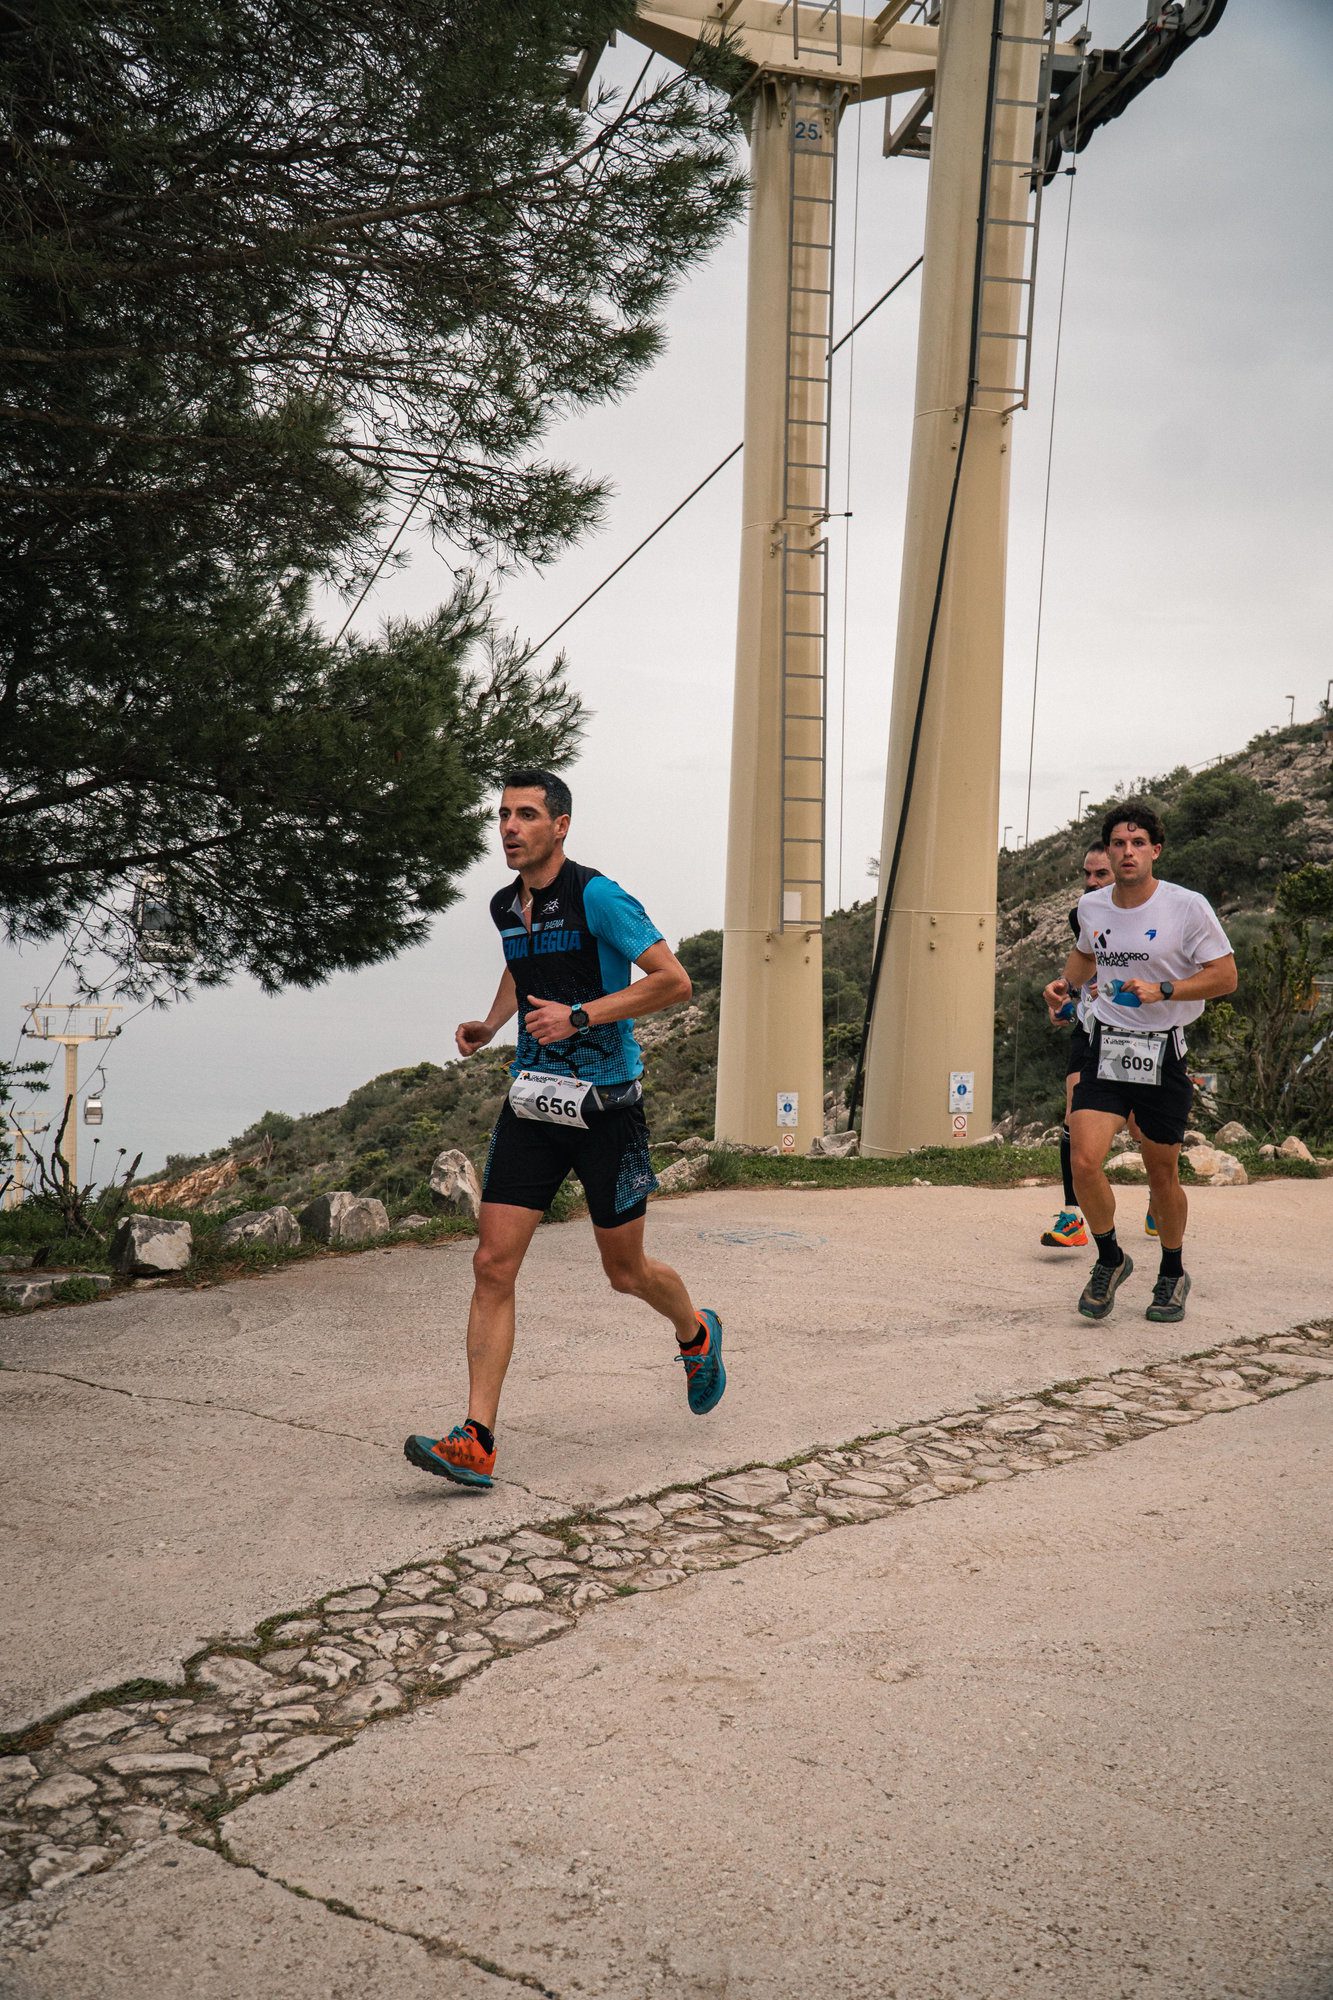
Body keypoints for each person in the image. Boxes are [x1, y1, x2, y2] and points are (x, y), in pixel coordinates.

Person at [406, 769, 726, 1490]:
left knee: (625, 1272)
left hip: (607, 1109)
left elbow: (673, 981)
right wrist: (494, 1023)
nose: (509, 828)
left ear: (561, 825)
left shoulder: (597, 896)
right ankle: (476, 1439)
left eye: (525, 815)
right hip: (533, 1104)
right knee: (492, 1264)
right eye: (502, 815)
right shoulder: (505, 904)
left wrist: (581, 1016)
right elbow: (522, 968)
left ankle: (696, 1331)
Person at [1044, 801, 1236, 1324]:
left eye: (1137, 843)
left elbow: (1225, 976)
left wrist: (1164, 989)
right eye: (1118, 844)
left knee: (1161, 1174)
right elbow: (1086, 954)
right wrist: (1065, 988)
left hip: (1162, 1052)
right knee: (1084, 1161)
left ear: (1155, 850)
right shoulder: (1092, 907)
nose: (1127, 852)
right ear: (1107, 852)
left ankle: (1172, 1271)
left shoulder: (1187, 907)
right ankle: (1110, 1258)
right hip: (1106, 1045)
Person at [1040, 842, 1159, 1250]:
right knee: (1073, 1114)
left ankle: (1159, 1195)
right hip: (1091, 1029)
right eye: (1086, 874)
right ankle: (1072, 1216)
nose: (1091, 882)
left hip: (1133, 1030)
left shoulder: (1148, 913)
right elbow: (1083, 965)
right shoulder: (1084, 913)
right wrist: (1064, 1001)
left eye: (1100, 874)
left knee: (1141, 1126)